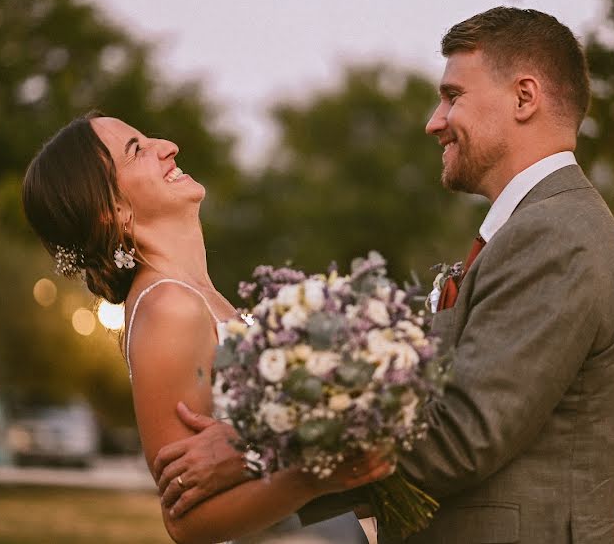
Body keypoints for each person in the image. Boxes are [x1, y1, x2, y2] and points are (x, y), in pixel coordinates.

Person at [154, 6, 614, 543]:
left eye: (453, 96)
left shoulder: (557, 234)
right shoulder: (534, 227)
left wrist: (257, 449)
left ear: (525, 98)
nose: (434, 120)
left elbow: (460, 436)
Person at [21, 113, 389, 543]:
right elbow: (186, 520)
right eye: (136, 150)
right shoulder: (167, 307)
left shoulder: (195, 298)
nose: (168, 145)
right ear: (111, 211)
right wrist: (310, 477)